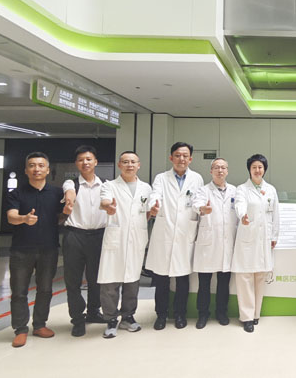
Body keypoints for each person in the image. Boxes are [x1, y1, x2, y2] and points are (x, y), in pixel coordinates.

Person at [5, 152, 70, 348]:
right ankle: (20, 329)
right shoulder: (16, 193)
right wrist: (24, 219)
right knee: (19, 291)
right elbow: (11, 217)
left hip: (49, 249)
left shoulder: (57, 193)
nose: (37, 169)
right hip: (21, 249)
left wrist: (65, 214)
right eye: (32, 165)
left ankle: (40, 324)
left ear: (48, 170)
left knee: (45, 289)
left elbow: (59, 217)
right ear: (26, 170)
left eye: (41, 165)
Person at [145, 142, 205, 330]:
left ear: (190, 159)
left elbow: (198, 200)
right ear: (171, 158)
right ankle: (161, 315)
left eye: (185, 156)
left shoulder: (196, 178)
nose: (181, 159)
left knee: (182, 279)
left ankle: (180, 315)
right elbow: (155, 195)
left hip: (185, 232)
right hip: (165, 232)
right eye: (178, 155)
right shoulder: (161, 178)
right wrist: (153, 206)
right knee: (161, 279)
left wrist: (201, 208)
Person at [98, 151, 152, 338]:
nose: (130, 165)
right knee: (110, 283)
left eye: (133, 162)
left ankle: (128, 317)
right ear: (119, 165)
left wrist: (151, 213)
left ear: (139, 165)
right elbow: (104, 202)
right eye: (126, 162)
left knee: (132, 281)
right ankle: (111, 319)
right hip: (116, 238)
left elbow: (146, 212)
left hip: (136, 238)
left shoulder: (146, 188)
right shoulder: (109, 186)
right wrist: (109, 206)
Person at [61, 145, 108, 337]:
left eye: (89, 159)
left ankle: (94, 312)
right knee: (73, 280)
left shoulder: (106, 185)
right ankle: (77, 319)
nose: (85, 163)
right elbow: (69, 192)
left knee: (96, 279)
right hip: (75, 236)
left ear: (95, 162)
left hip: (99, 236)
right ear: (76, 163)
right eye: (81, 160)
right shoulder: (71, 184)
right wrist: (69, 199)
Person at [230, 154, 279, 333]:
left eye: (260, 167)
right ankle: (246, 317)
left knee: (260, 277)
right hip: (247, 238)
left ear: (264, 169)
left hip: (264, 238)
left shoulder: (271, 190)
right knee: (245, 278)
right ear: (249, 170)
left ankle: (256, 314)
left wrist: (274, 236)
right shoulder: (242, 189)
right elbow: (239, 204)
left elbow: (276, 215)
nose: (257, 170)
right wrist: (243, 215)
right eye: (254, 167)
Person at [192, 158, 237, 329]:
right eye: (216, 167)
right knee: (204, 283)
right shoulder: (203, 191)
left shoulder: (234, 191)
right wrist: (203, 209)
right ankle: (203, 314)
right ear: (211, 171)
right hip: (208, 242)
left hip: (227, 242)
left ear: (227, 171)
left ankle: (221, 312)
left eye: (223, 167)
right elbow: (196, 205)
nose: (220, 170)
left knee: (224, 282)